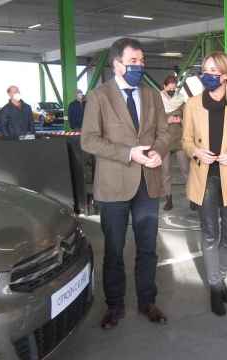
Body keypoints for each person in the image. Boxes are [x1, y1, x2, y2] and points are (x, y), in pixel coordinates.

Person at [81, 38, 169, 329]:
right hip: (114, 185)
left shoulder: (153, 96)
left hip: (147, 182)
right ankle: (115, 306)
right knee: (114, 250)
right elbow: (89, 140)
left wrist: (158, 150)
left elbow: (165, 133)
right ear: (117, 64)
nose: (139, 66)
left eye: (142, 61)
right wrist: (129, 153)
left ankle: (148, 301)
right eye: (133, 62)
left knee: (147, 248)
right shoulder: (99, 96)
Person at [182, 51, 227, 317]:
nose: (207, 74)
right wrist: (196, 152)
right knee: (210, 233)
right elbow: (186, 141)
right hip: (205, 177)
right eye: (205, 69)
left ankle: (220, 278)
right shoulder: (192, 104)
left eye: (213, 70)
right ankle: (215, 286)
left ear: (225, 74)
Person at [160, 75, 189, 211]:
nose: (172, 91)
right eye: (169, 89)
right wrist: (167, 120)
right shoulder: (158, 101)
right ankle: (168, 199)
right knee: (165, 172)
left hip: (179, 140)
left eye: (174, 89)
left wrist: (181, 120)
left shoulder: (181, 101)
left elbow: (188, 118)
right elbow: (153, 120)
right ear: (164, 87)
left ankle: (192, 198)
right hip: (164, 141)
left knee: (186, 170)